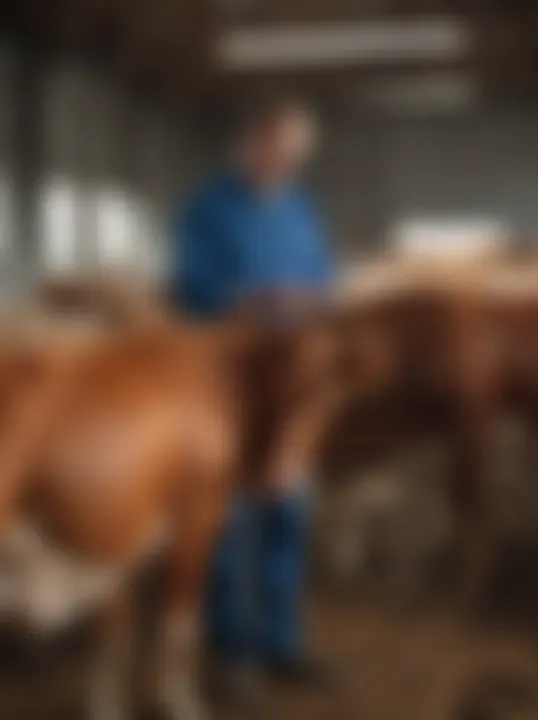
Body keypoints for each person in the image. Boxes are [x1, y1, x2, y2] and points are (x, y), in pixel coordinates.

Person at [170, 97, 335, 691]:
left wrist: (311, 298)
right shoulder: (208, 208)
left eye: (296, 156)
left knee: (289, 514)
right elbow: (189, 286)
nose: (285, 165)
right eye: (277, 151)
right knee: (230, 521)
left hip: (288, 390)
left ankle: (282, 645)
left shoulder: (300, 209)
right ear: (251, 143)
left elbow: (324, 279)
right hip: (228, 385)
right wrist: (251, 300)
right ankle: (232, 651)